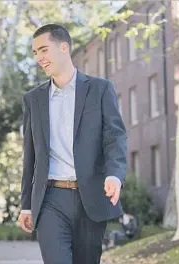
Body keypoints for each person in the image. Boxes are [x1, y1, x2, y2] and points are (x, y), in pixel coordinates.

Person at [18, 24, 127, 264]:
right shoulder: (33, 99)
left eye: (44, 50)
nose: (39, 58)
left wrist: (114, 175)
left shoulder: (99, 89)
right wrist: (26, 205)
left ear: (64, 47)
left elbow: (115, 137)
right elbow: (30, 156)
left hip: (91, 197)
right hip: (50, 199)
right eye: (35, 53)